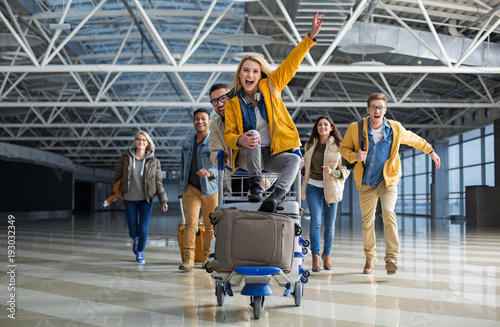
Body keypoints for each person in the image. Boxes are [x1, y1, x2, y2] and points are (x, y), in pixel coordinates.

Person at [224, 12, 324, 213]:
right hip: (248, 154)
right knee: (253, 135)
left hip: (271, 155)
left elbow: (291, 63)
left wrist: (310, 38)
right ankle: (255, 188)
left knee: (295, 160)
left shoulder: (272, 85)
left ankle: (276, 195)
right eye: (246, 70)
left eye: (255, 71)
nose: (250, 74)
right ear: (240, 74)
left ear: (260, 74)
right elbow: (228, 134)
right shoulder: (232, 101)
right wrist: (238, 140)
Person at [339, 92, 441, 275]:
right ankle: (371, 256)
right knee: (367, 222)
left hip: (388, 180)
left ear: (385, 110)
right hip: (366, 183)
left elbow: (413, 138)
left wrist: (430, 150)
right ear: (368, 109)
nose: (377, 110)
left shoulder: (395, 128)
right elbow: (343, 148)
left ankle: (392, 257)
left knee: (388, 213)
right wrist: (354, 156)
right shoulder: (355, 128)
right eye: (373, 107)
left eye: (380, 107)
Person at [301, 116, 350, 272]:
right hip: (312, 187)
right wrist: (301, 170)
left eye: (326, 125)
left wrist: (333, 172)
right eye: (320, 124)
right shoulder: (309, 145)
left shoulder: (339, 146)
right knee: (316, 221)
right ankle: (315, 257)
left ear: (331, 128)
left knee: (330, 225)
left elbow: (345, 170)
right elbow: (306, 165)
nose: (322, 127)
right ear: (317, 128)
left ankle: (326, 255)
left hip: (331, 188)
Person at [112, 131, 168, 263]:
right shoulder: (126, 157)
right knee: (133, 230)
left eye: (144, 140)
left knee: (143, 228)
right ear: (135, 141)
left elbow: (158, 182)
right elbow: (117, 176)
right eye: (138, 139)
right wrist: (113, 194)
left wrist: (163, 200)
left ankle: (140, 252)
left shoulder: (154, 162)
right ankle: (135, 240)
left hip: (146, 200)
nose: (141, 142)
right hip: (130, 199)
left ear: (148, 143)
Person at [179, 108, 218, 271]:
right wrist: (182, 187)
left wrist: (210, 173)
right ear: (194, 121)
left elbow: (220, 165)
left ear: (209, 121)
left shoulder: (214, 142)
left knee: (210, 226)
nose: (200, 121)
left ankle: (208, 258)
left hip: (210, 189)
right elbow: (182, 166)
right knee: (190, 224)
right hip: (191, 188)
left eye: (203, 119)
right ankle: (188, 259)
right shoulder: (187, 143)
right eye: (197, 119)